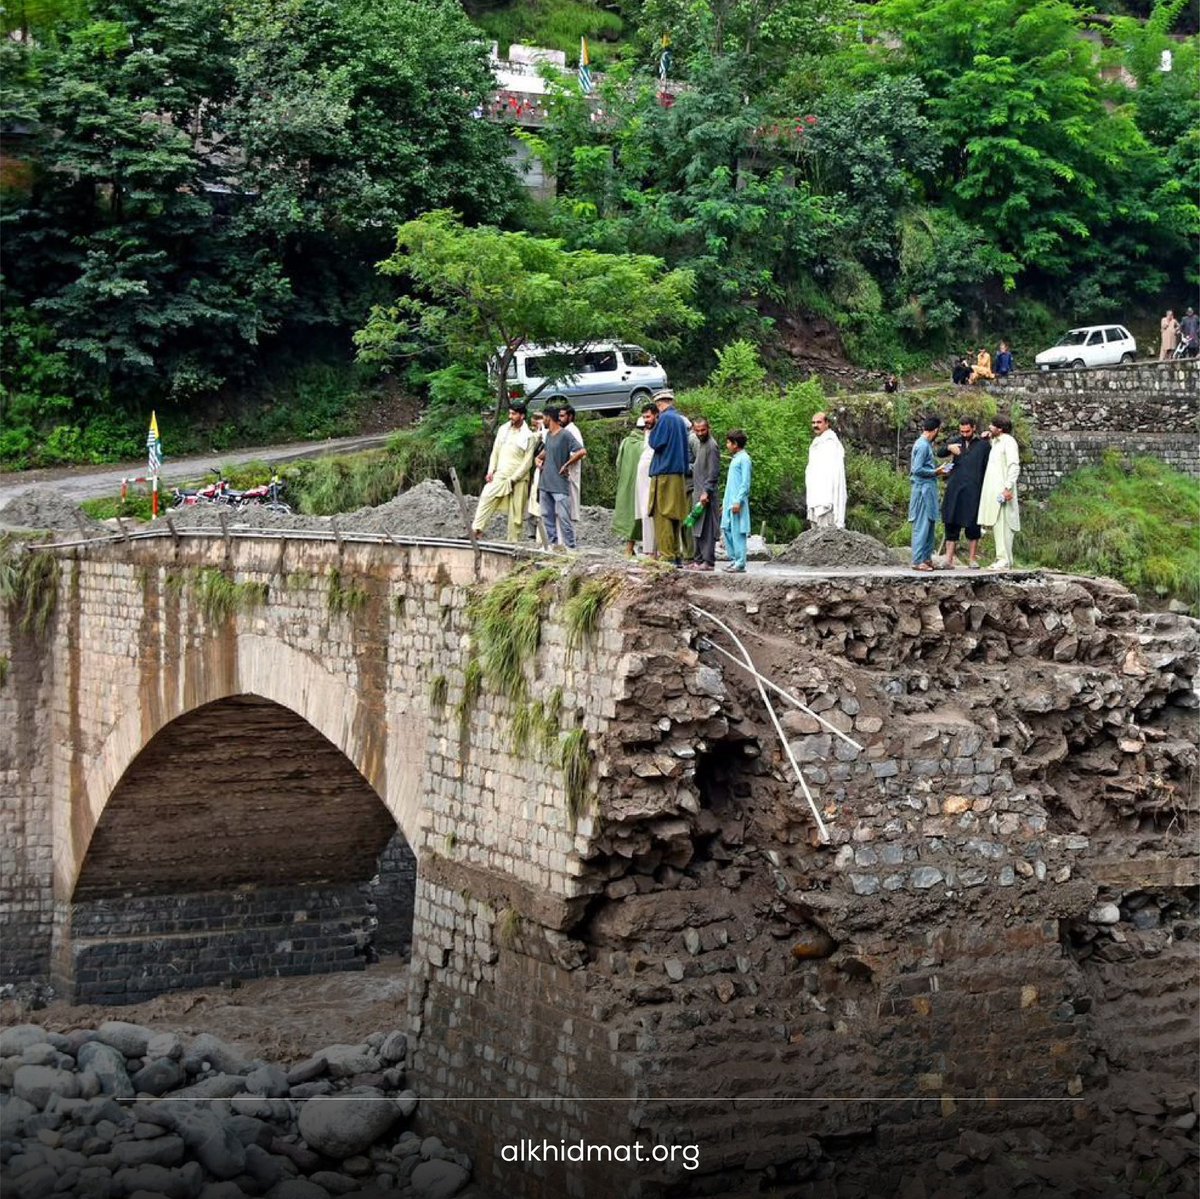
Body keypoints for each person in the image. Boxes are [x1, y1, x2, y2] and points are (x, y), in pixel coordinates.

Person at [471, 402, 538, 542]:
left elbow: (527, 462)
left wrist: (514, 479)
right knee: (486, 496)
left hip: (519, 478)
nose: (510, 416)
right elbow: (495, 451)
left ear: (522, 415)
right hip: (501, 473)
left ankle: (513, 543)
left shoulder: (529, 436)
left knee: (516, 514)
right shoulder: (503, 429)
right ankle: (476, 529)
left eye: (514, 414)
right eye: (510, 413)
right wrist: (491, 470)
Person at [937, 417, 991, 569]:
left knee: (973, 524)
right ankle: (948, 559)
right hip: (955, 488)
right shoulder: (956, 441)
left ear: (973, 428)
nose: (964, 434)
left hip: (974, 489)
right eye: (962, 431)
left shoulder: (983, 445)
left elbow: (989, 466)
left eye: (967, 431)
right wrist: (949, 448)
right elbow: (939, 452)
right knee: (951, 522)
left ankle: (972, 559)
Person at [647, 389, 691, 566]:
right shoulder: (680, 420)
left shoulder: (665, 419)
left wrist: (652, 429)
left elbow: (656, 443)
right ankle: (677, 554)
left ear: (659, 404)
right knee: (675, 516)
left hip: (664, 474)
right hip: (678, 474)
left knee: (662, 515)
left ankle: (667, 556)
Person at [537, 406, 586, 550]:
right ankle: (552, 543)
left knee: (564, 517)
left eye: (543, 418)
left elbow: (581, 451)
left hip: (559, 483)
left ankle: (571, 546)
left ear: (548, 418)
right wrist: (538, 458)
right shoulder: (548, 435)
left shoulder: (565, 435)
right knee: (547, 516)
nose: (542, 421)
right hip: (546, 481)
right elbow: (547, 450)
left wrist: (567, 464)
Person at [977, 414, 1021, 570]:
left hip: (1003, 489)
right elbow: (991, 438)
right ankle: (1001, 558)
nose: (989, 427)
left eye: (992, 425)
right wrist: (988, 437)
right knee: (997, 524)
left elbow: (1014, 465)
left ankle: (1004, 559)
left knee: (1003, 524)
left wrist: (1008, 487)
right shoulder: (997, 441)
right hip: (995, 490)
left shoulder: (1009, 442)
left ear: (1000, 428)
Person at [685, 418, 720, 572]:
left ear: (708, 428)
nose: (700, 433)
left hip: (706, 495)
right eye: (697, 430)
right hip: (697, 493)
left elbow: (713, 472)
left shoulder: (712, 446)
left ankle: (708, 562)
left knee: (707, 530)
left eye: (703, 430)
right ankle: (698, 560)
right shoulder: (700, 444)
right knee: (696, 528)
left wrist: (707, 491)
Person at [909, 416, 943, 572]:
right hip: (922, 490)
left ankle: (926, 558)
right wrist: (936, 471)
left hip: (928, 489)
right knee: (922, 525)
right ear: (935, 430)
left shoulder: (925, 444)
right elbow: (917, 469)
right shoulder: (922, 446)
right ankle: (917, 560)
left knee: (929, 523)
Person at [805, 411, 847, 530]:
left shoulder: (831, 443)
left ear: (827, 423)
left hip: (827, 497)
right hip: (815, 494)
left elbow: (832, 472)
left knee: (826, 530)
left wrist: (829, 497)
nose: (815, 425)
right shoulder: (816, 443)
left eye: (819, 422)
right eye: (813, 423)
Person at [612, 414, 646, 556]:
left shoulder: (626, 442)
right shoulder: (646, 444)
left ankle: (629, 548)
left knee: (629, 516)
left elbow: (618, 464)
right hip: (642, 486)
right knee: (641, 517)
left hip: (626, 485)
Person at [721, 429, 752, 573]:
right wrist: (726, 502)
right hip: (729, 501)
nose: (727, 445)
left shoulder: (744, 459)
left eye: (728, 442)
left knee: (738, 531)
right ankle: (733, 559)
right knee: (726, 528)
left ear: (735, 444)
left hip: (737, 502)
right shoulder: (735, 459)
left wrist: (738, 500)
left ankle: (740, 562)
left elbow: (745, 483)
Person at [635, 403, 658, 557]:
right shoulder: (647, 433)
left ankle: (656, 549)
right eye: (644, 417)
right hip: (643, 476)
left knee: (652, 511)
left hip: (653, 474)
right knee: (645, 512)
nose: (646, 420)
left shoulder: (658, 431)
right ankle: (649, 549)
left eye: (648, 416)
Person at [561, 405, 588, 521]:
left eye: (562, 416)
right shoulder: (565, 431)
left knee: (570, 512)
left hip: (570, 473)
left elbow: (580, 452)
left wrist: (566, 463)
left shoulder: (573, 431)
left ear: (570, 417)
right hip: (563, 475)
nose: (560, 418)